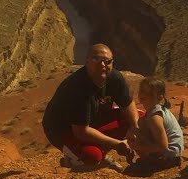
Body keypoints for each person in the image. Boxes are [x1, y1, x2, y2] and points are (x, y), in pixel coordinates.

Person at [41, 42, 139, 171]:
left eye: (107, 61)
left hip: (92, 120)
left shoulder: (115, 77)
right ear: (87, 62)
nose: (102, 65)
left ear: (112, 63)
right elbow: (81, 132)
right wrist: (118, 144)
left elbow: (128, 104)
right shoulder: (78, 87)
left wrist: (134, 127)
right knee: (92, 157)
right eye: (96, 59)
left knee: (142, 119)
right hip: (63, 130)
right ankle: (73, 158)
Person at [124, 76, 184, 176]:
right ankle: (148, 160)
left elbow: (163, 146)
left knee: (138, 136)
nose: (143, 94)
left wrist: (139, 146)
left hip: (169, 156)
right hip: (172, 155)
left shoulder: (155, 117)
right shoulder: (153, 112)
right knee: (140, 124)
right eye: (142, 90)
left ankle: (150, 163)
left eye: (149, 93)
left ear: (159, 98)